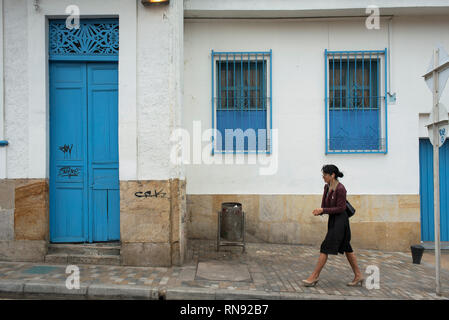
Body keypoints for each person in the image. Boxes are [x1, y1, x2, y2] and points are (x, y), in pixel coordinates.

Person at [302, 164, 363, 287]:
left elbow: (341, 208)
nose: (323, 177)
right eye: (322, 175)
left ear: (332, 175)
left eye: (325, 175)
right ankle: (358, 275)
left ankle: (314, 276)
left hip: (341, 222)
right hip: (333, 221)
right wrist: (320, 210)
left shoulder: (341, 189)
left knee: (325, 247)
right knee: (347, 248)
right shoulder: (327, 187)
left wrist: (323, 210)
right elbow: (325, 205)